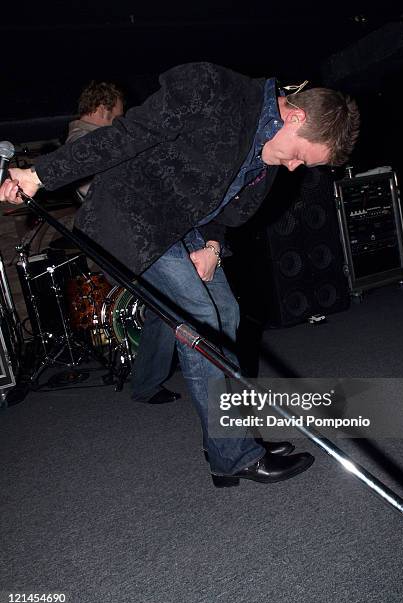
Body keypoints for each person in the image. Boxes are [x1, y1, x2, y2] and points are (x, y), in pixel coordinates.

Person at [0, 62, 359, 487]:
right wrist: (41, 173)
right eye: (301, 154)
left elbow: (228, 212)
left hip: (185, 231)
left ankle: (226, 441)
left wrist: (212, 247)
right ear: (295, 116)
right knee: (201, 324)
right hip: (134, 220)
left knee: (226, 315)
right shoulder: (215, 90)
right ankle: (233, 456)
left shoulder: (269, 157)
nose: (296, 167)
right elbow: (125, 136)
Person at [67, 80, 180, 405]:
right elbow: (95, 190)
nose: (121, 120)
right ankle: (150, 381)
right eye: (118, 114)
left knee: (164, 307)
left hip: (120, 242)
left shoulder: (84, 138)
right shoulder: (84, 141)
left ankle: (148, 381)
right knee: (168, 304)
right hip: (119, 244)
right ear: (103, 110)